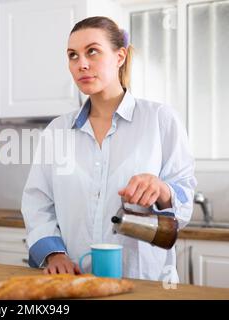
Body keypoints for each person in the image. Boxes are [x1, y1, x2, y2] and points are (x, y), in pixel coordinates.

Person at [21, 16, 197, 280]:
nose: (81, 64)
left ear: (120, 56)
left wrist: (162, 190)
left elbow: (184, 197)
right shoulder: (58, 131)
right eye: (72, 55)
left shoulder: (160, 119)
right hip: (76, 281)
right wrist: (53, 254)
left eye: (92, 51)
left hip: (143, 281)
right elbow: (37, 201)